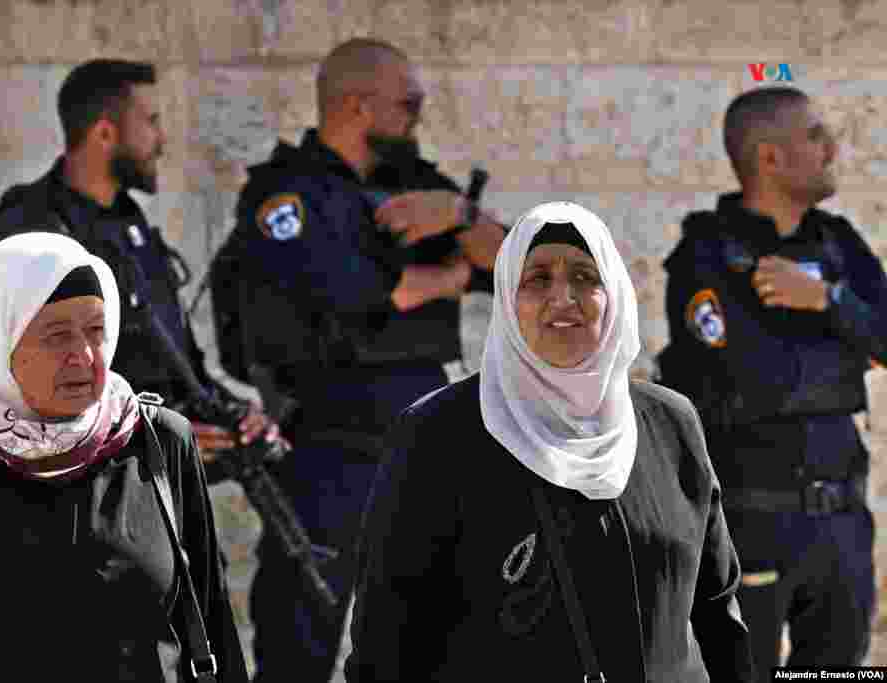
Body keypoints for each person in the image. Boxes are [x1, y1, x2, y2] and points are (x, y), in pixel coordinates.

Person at [346, 201, 753, 682]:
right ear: (506, 299)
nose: (564, 296)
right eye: (537, 279)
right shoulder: (436, 433)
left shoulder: (670, 424)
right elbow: (387, 644)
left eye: (585, 276)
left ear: (615, 294)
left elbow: (718, 616)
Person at [219, 38, 507, 682]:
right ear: (356, 105)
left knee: (428, 643)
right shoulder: (290, 198)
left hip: (422, 449)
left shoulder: (415, 186)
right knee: (301, 640)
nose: (418, 118)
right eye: (407, 104)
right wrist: (443, 279)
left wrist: (459, 213)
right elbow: (359, 306)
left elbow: (520, 261)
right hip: (327, 450)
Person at [0, 232, 248, 682]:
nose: (84, 355)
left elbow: (211, 620)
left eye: (95, 330)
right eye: (56, 335)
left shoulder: (159, 442)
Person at [658, 86, 882, 678]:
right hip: (753, 520)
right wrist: (851, 349)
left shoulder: (837, 245)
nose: (832, 147)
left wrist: (828, 302)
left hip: (842, 517)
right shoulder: (705, 255)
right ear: (769, 157)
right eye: (814, 135)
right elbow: (753, 380)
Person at [0, 58, 281, 467]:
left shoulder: (129, 224)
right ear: (105, 132)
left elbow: (177, 364)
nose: (161, 141)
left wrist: (240, 416)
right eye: (151, 121)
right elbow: (21, 384)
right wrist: (140, 432)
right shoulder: (34, 227)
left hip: (153, 478)